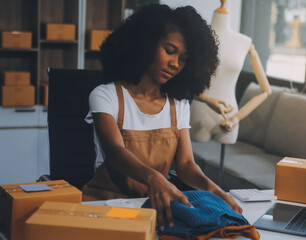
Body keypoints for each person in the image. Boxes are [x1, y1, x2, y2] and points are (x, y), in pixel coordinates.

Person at [82, 3, 242, 229]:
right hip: (107, 204)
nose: (175, 64)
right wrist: (154, 177)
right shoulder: (106, 96)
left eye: (184, 58)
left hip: (153, 207)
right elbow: (115, 152)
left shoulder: (178, 105)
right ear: (145, 44)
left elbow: (186, 164)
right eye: (169, 50)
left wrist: (214, 190)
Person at [190, 0, 272, 143]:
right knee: (191, 161)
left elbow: (266, 91)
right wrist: (206, 99)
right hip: (200, 112)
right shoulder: (196, 39)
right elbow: (183, 82)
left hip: (230, 115)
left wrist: (236, 118)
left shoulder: (244, 42)